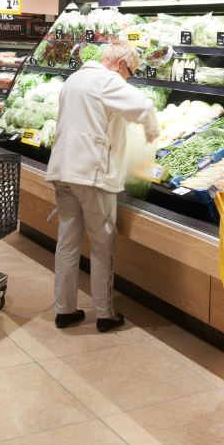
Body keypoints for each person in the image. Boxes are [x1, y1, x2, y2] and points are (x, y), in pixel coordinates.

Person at [44, 41, 158, 333]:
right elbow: (143, 107)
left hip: (63, 171)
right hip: (92, 175)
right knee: (102, 245)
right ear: (120, 64)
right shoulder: (106, 80)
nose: (128, 79)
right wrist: (152, 133)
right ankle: (105, 315)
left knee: (67, 242)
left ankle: (64, 310)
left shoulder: (74, 79)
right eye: (130, 73)